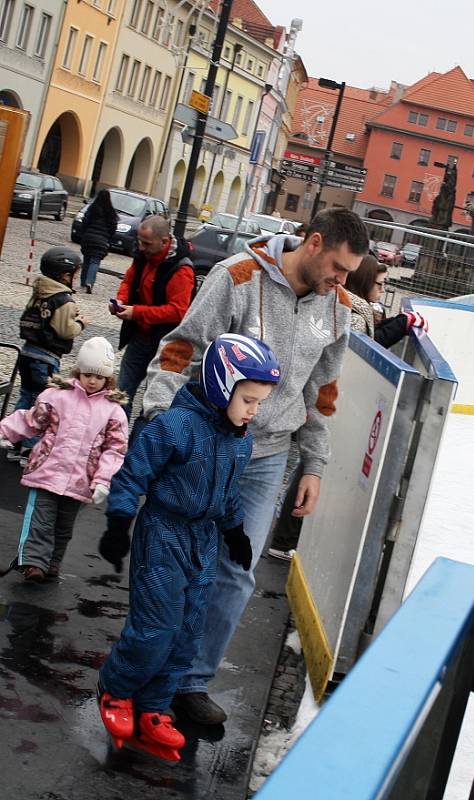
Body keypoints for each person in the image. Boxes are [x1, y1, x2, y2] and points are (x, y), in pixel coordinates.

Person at [140, 207, 369, 724]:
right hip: (206, 446)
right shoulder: (237, 277)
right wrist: (159, 421)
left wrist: (314, 462)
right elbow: (181, 350)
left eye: (349, 273)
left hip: (268, 457)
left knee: (235, 572)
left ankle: (191, 683)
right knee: (175, 562)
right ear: (312, 243)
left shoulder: (337, 310)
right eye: (337, 267)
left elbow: (322, 395)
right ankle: (145, 667)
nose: (341, 281)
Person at [96, 334, 280, 761]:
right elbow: (132, 475)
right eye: (249, 400)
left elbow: (229, 493)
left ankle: (155, 706)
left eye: (259, 403)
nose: (255, 411)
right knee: (156, 626)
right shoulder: (174, 427)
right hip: (163, 533)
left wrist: (235, 533)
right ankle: (117, 689)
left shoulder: (241, 439)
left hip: (204, 540)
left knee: (187, 631)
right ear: (221, 387)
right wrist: (119, 523)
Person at [267, 254, 429, 561]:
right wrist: (401, 325)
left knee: (309, 466)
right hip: (327, 401)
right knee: (309, 465)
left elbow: (371, 338)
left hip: (329, 401)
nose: (383, 290)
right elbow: (361, 346)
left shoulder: (355, 307)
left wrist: (399, 324)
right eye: (380, 284)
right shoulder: (350, 309)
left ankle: (285, 536)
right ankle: (284, 537)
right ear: (366, 281)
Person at [0, 337, 127, 582]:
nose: (92, 381)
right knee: (40, 520)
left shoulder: (113, 412)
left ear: (108, 379)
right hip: (47, 471)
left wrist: (103, 480)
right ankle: (33, 562)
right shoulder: (57, 397)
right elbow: (32, 420)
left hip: (80, 480)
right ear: (78, 371)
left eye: (98, 377)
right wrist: (6, 431)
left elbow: (114, 450)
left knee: (63, 527)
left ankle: (53, 562)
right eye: (88, 374)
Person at [111, 215, 194, 420]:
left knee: (153, 402)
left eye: (146, 243)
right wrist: (121, 300)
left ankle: (141, 447)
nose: (140, 247)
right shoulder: (143, 256)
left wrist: (136, 312)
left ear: (164, 242)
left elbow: (178, 311)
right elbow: (129, 281)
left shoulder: (182, 269)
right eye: (139, 241)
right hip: (140, 337)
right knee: (121, 393)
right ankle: (114, 441)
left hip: (166, 345)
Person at [8, 247, 86, 465]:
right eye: (74, 274)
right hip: (46, 357)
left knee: (25, 396)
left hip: (27, 353)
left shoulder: (40, 290)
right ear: (64, 275)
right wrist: (79, 323)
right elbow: (65, 330)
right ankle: (29, 449)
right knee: (41, 402)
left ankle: (13, 440)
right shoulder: (63, 299)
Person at [79, 189, 118, 293]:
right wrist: (108, 239)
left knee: (86, 260)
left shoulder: (92, 209)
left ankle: (83, 282)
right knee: (95, 262)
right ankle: (89, 282)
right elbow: (113, 228)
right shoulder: (111, 212)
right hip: (102, 240)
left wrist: (84, 234)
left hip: (89, 238)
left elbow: (85, 221)